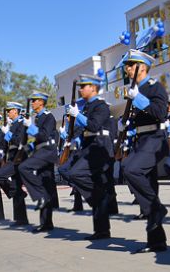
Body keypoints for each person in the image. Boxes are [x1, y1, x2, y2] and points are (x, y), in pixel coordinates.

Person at [120, 49, 170, 254]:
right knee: (148, 186)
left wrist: (139, 99)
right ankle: (157, 241)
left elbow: (160, 113)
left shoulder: (154, 87)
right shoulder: (136, 89)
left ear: (142, 67)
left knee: (130, 169)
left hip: (155, 139)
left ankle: (157, 209)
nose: (127, 69)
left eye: (131, 65)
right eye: (127, 65)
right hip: (141, 140)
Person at [61, 74, 114, 240]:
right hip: (88, 147)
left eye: (84, 86)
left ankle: (99, 200)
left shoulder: (101, 106)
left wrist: (78, 116)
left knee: (75, 173)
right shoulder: (86, 107)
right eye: (80, 86)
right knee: (64, 170)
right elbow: (80, 130)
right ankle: (101, 230)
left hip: (99, 147)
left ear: (94, 87)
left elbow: (93, 125)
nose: (81, 89)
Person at [18, 91, 59, 233]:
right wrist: (27, 146)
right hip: (41, 152)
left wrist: (31, 127)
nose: (33, 103)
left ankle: (39, 197)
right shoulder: (37, 118)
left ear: (41, 102)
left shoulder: (48, 117)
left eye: (35, 100)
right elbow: (37, 140)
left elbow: (44, 136)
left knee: (24, 168)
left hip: (47, 152)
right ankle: (46, 223)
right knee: (44, 185)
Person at [0, 101, 30, 226]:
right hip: (12, 156)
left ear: (16, 111)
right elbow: (5, 142)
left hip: (20, 156)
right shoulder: (12, 124)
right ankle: (21, 219)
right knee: (15, 185)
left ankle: (19, 193)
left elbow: (20, 140)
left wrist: (8, 133)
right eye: (7, 111)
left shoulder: (22, 123)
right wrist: (1, 153)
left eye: (10, 110)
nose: (8, 113)